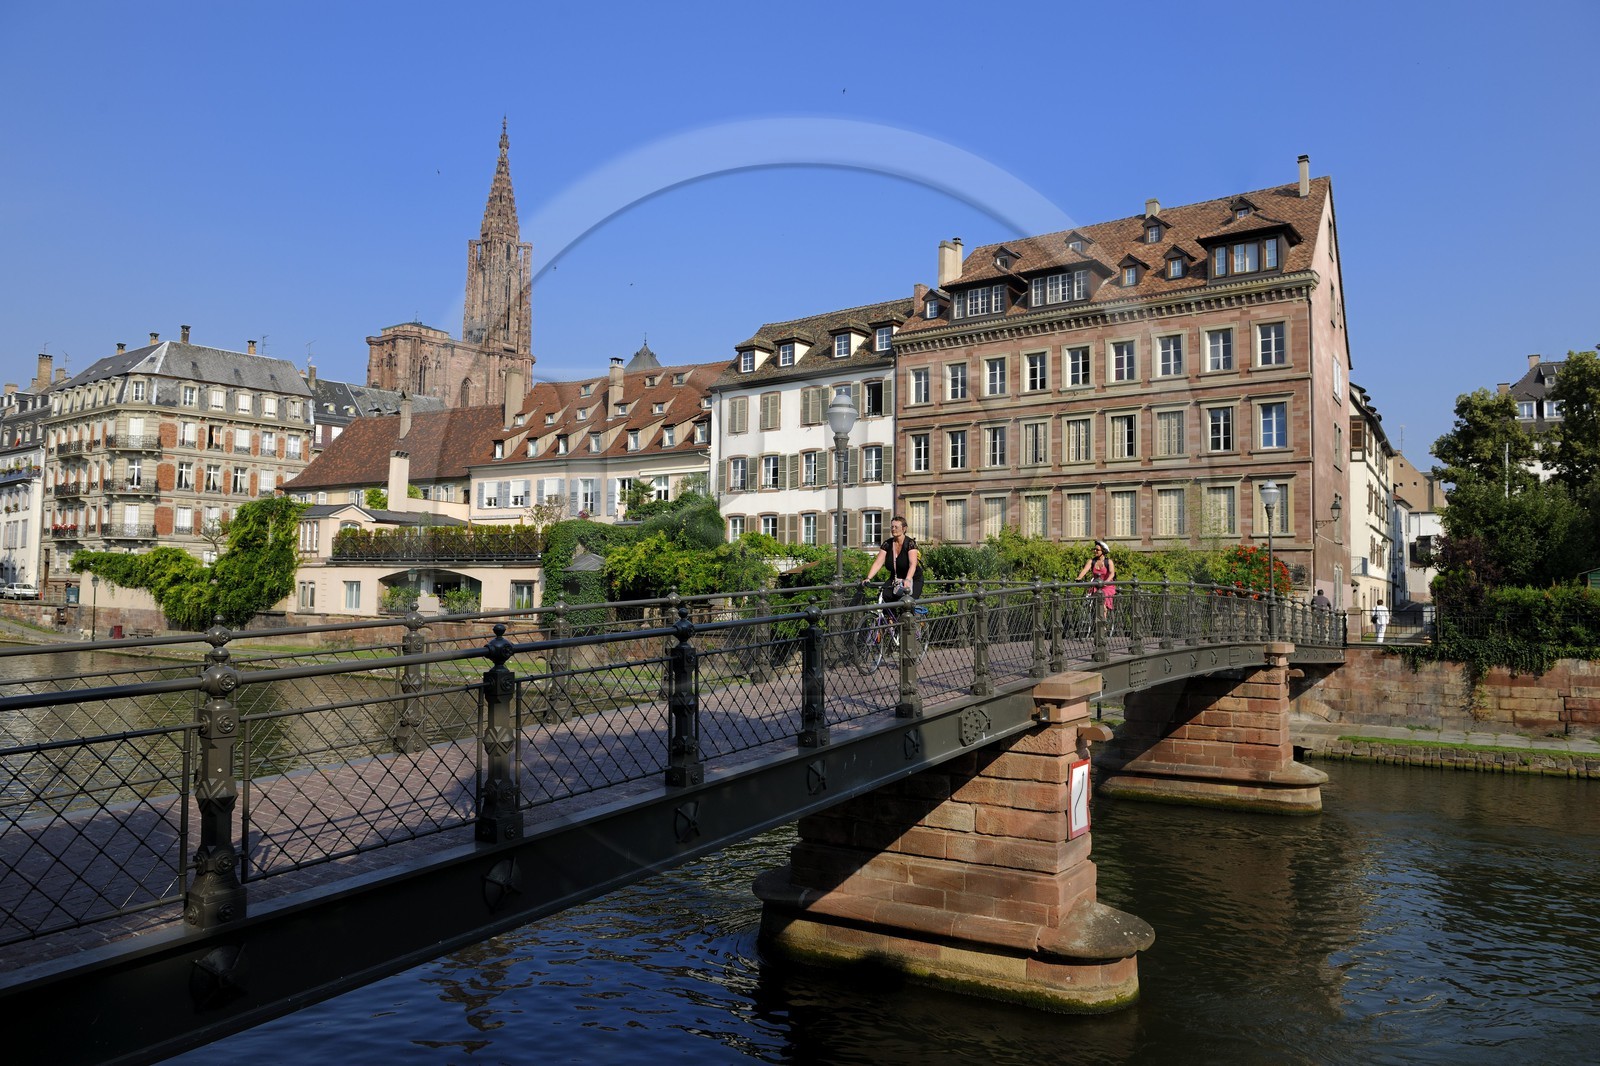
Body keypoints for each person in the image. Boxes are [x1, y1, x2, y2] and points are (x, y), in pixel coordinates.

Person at [862, 516, 922, 602]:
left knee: (908, 603)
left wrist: (908, 579)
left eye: (896, 527)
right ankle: (889, 616)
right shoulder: (887, 544)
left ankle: (913, 614)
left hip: (913, 578)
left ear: (904, 528)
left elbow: (913, 564)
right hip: (896, 578)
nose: (893, 529)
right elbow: (878, 563)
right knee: (885, 596)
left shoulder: (910, 543)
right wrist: (868, 578)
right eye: (892, 527)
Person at [1075, 539, 1117, 621]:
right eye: (1094, 549)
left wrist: (1106, 582)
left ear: (1103, 551)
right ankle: (1094, 622)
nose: (1095, 551)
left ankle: (1103, 624)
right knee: (1092, 602)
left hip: (1107, 586)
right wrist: (1079, 578)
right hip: (1096, 585)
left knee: (1102, 602)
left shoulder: (1109, 562)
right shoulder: (1092, 561)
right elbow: (1084, 570)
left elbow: (1112, 573)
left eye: (1097, 550)